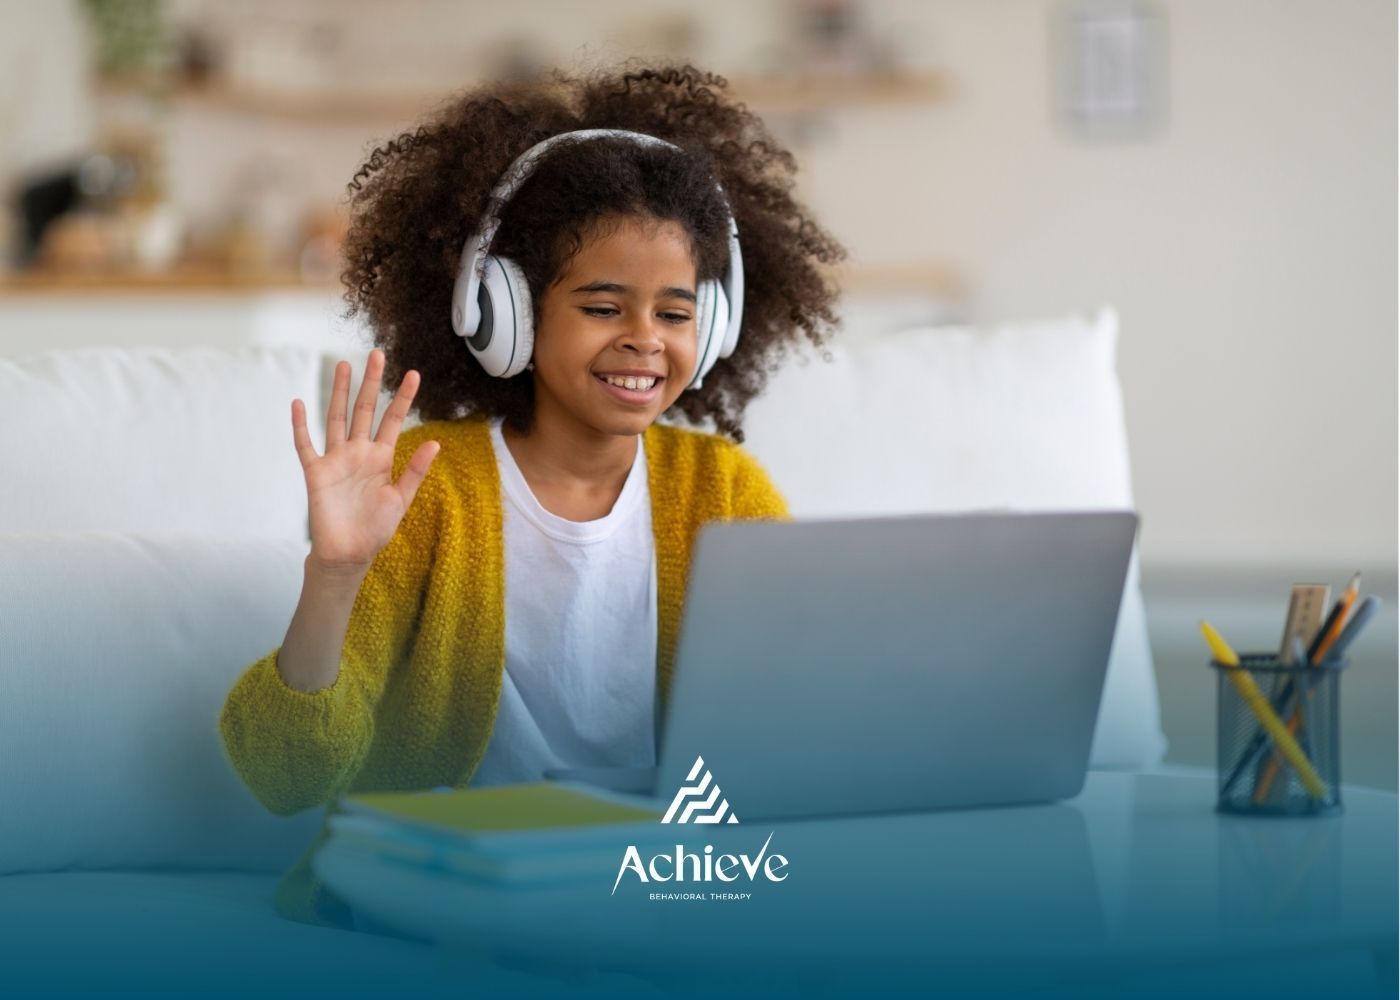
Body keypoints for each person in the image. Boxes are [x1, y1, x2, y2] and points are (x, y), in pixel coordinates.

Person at [217, 64, 845, 931]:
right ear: (501, 311)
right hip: (444, 890)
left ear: (715, 326)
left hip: (650, 888)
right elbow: (283, 774)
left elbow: (808, 733)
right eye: (601, 305)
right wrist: (334, 573)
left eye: (673, 311)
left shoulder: (725, 493)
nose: (643, 341)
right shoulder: (427, 491)